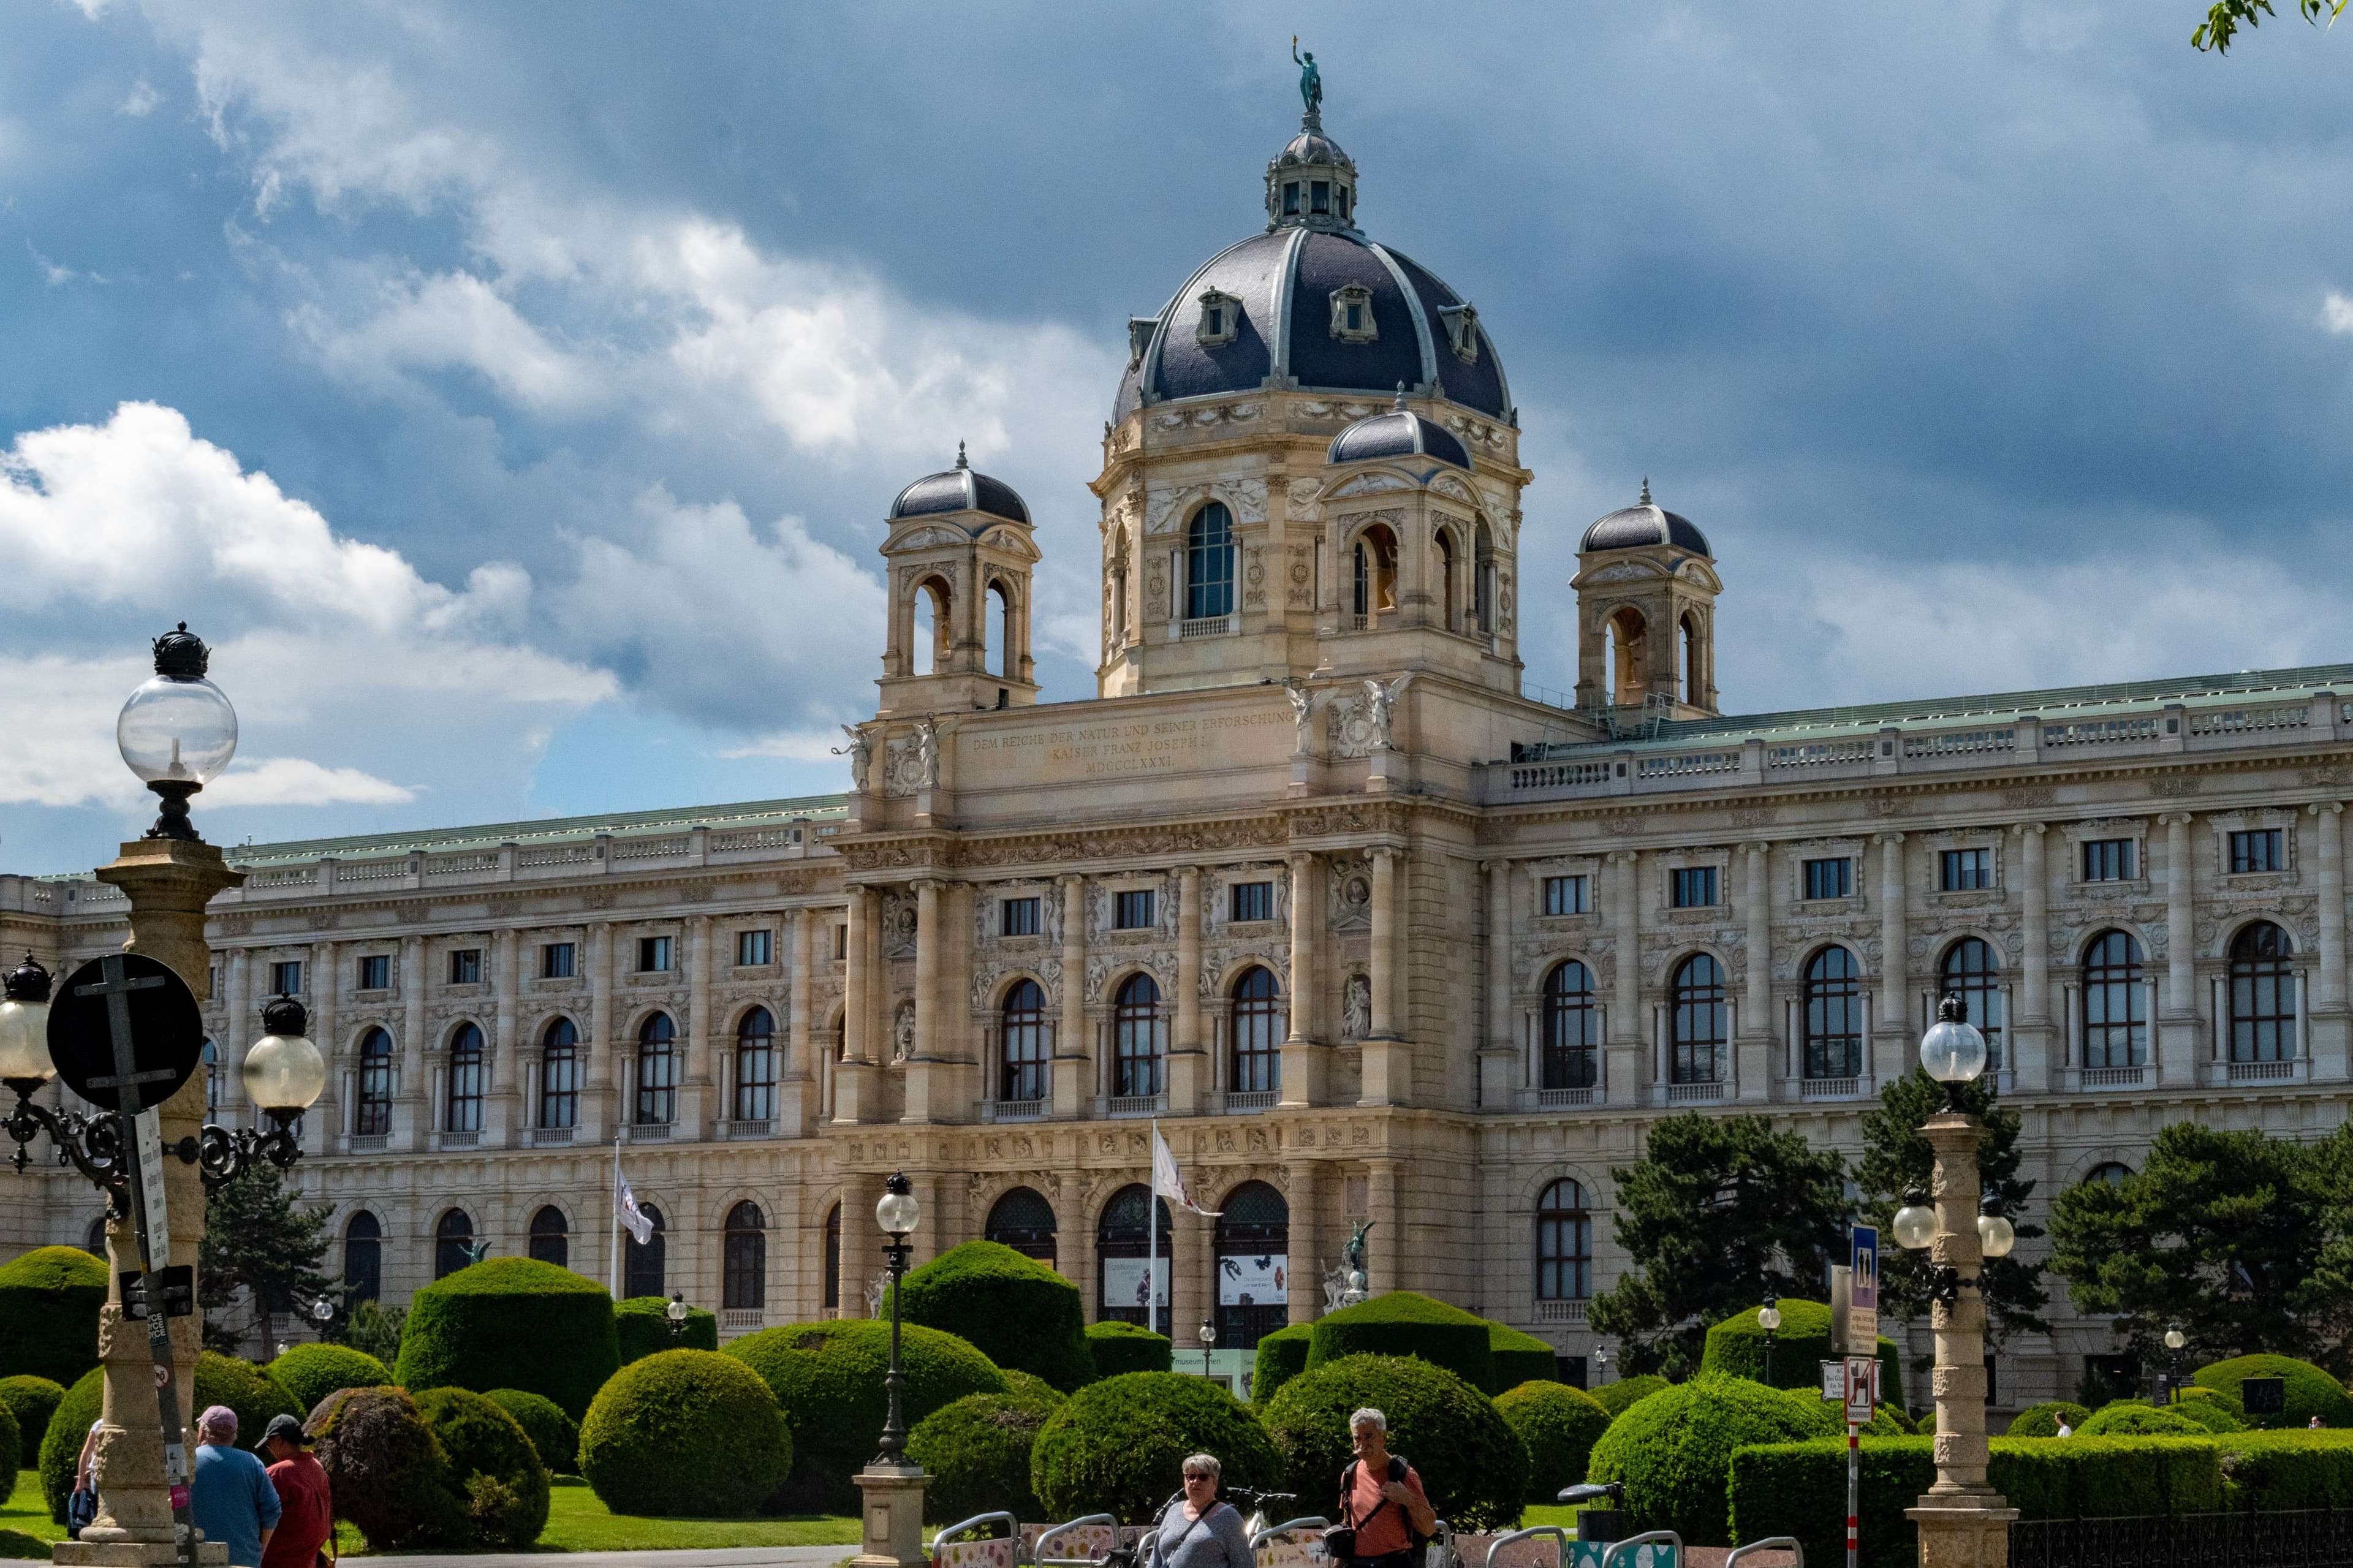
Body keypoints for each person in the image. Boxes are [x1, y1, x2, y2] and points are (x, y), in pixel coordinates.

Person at [1336, 1409, 1435, 1568]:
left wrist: (1408, 1499)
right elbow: (1348, 1524)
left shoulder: (1404, 1475)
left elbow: (1429, 1528)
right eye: (1357, 1438)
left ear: (1383, 1437)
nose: (1363, 1445)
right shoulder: (1349, 1474)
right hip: (1356, 1563)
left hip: (1394, 1562)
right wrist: (1338, 1564)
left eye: (1369, 1436)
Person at [190, 1406, 279, 1568]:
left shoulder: (188, 1462)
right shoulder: (253, 1463)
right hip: (244, 1559)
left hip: (195, 1556)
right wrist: (260, 1551)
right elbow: (272, 1510)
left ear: (202, 1431)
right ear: (234, 1435)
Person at [1150, 1454, 1253, 1568]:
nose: (1196, 1481)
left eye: (1203, 1477)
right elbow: (1155, 1560)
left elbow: (1244, 1564)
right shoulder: (1173, 1511)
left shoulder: (1229, 1518)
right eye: (1191, 1476)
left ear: (1215, 1484)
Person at [257, 1414, 333, 1568]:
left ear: (278, 1440)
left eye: (269, 1445)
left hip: (279, 1560)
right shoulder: (316, 1466)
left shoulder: (279, 1473)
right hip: (309, 1559)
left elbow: (256, 1514)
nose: (270, 1450)